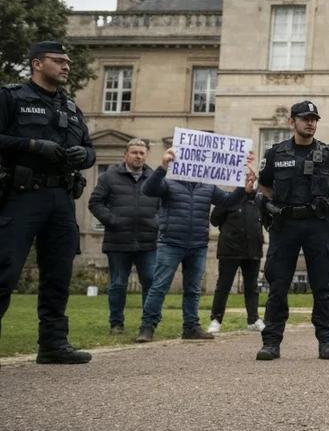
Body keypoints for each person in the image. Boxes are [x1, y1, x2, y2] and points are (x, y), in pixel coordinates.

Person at [0, 41, 96, 364]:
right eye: (58, 60)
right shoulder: (11, 98)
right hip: (22, 194)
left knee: (58, 273)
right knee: (5, 270)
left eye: (67, 61)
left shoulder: (71, 108)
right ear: (37, 64)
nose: (66, 66)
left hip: (62, 199)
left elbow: (90, 149)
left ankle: (53, 344)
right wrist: (32, 145)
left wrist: (85, 155)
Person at [255, 100, 329, 361]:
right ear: (292, 121)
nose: (310, 123)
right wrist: (276, 206)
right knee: (278, 285)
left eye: (314, 119)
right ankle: (271, 342)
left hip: (318, 225)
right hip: (285, 225)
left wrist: (327, 207)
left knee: (323, 285)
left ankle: (326, 341)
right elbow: (265, 186)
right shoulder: (276, 154)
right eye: (305, 118)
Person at [140, 147, 255, 343]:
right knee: (159, 286)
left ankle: (191, 326)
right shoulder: (169, 182)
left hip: (198, 244)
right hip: (171, 242)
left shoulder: (208, 186)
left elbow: (227, 201)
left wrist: (243, 188)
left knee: (193, 288)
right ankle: (147, 327)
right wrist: (162, 167)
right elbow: (148, 190)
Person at [88, 138, 159, 335]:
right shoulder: (108, 177)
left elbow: (165, 206)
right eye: (134, 152)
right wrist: (113, 220)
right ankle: (116, 323)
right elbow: (95, 203)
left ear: (146, 155)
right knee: (118, 283)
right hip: (118, 240)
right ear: (125, 154)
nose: (138, 156)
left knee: (150, 281)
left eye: (142, 153)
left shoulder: (155, 178)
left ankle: (148, 323)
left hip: (148, 240)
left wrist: (157, 222)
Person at [207, 178, 265, 334]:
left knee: (252, 287)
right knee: (223, 286)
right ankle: (216, 319)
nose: (250, 183)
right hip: (230, 250)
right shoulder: (228, 199)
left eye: (252, 180)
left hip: (253, 250)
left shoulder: (258, 201)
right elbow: (214, 220)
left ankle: (253, 319)